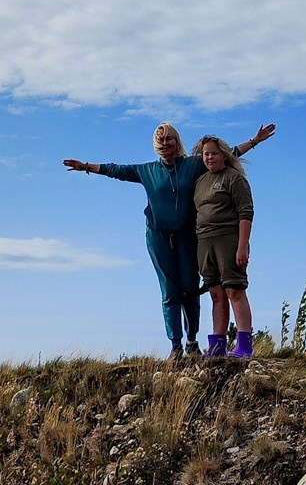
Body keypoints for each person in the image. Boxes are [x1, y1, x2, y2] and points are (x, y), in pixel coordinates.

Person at [63, 120, 274, 359]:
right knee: (169, 292)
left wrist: (254, 141)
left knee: (190, 289)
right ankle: (176, 346)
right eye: (160, 140)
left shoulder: (193, 165)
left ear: (177, 141)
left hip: (188, 237)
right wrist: (86, 166)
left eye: (169, 139)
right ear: (155, 144)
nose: (165, 144)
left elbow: (226, 154)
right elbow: (117, 170)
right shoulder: (147, 171)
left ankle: (192, 341)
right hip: (158, 237)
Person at [192, 136, 255, 360]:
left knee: (234, 290)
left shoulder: (233, 178)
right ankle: (217, 345)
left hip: (228, 238)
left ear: (224, 156)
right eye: (206, 154)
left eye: (214, 153)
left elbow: (245, 212)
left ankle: (245, 345)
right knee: (216, 293)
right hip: (204, 241)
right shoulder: (200, 181)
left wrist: (242, 247)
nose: (210, 157)